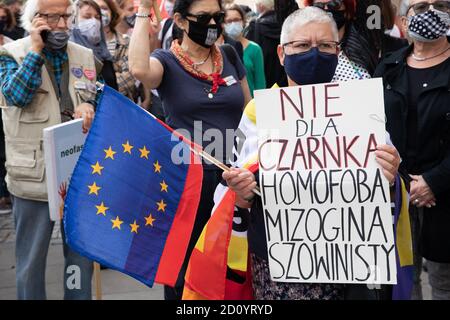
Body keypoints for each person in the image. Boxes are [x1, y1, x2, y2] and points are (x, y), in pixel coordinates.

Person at [222, 7, 402, 300]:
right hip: (282, 261)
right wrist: (241, 189)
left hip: (349, 260)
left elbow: (389, 177)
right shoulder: (257, 112)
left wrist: (390, 170)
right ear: (282, 53)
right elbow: (235, 193)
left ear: (338, 51)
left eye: (325, 46)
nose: (315, 53)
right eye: (303, 45)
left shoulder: (359, 109)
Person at [129, 0, 251, 300]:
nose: (212, 24)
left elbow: (249, 111)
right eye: (203, 17)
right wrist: (144, 10)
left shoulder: (230, 54)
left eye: (218, 17)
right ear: (181, 21)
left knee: (231, 270)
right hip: (188, 185)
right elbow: (139, 69)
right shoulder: (166, 62)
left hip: (234, 182)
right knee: (186, 274)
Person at [0, 0, 96, 299]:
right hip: (33, 175)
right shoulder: (10, 54)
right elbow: (15, 95)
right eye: (53, 18)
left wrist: (90, 106)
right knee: (31, 260)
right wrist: (37, 52)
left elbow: (99, 95)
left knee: (79, 259)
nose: (62, 25)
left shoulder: (84, 55)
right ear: (34, 20)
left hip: (77, 171)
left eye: (67, 16)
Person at [374, 0, 450, 300]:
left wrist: (433, 181)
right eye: (421, 6)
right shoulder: (388, 67)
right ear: (404, 21)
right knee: (403, 279)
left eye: (440, 4)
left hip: (443, 196)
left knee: (444, 283)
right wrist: (401, 180)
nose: (431, 12)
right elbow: (372, 124)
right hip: (397, 192)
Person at [94, 0, 139, 101]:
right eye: (96, 9)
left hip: (121, 103)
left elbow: (129, 78)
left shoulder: (126, 41)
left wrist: (98, 86)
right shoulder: (82, 43)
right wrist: (115, 74)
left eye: (104, 8)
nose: (100, 12)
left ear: (112, 12)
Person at [70, 0, 118, 90]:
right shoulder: (69, 54)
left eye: (97, 17)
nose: (94, 21)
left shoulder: (105, 56)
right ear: (74, 20)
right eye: (87, 16)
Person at [225, 4, 266, 97]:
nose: (233, 24)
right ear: (223, 24)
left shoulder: (254, 49)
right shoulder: (219, 49)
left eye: (236, 20)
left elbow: (260, 84)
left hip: (250, 106)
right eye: (229, 21)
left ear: (243, 21)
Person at [245, 0, 287, 87]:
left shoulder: (255, 27)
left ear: (260, 6)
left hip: (264, 81)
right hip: (286, 80)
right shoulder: (286, 24)